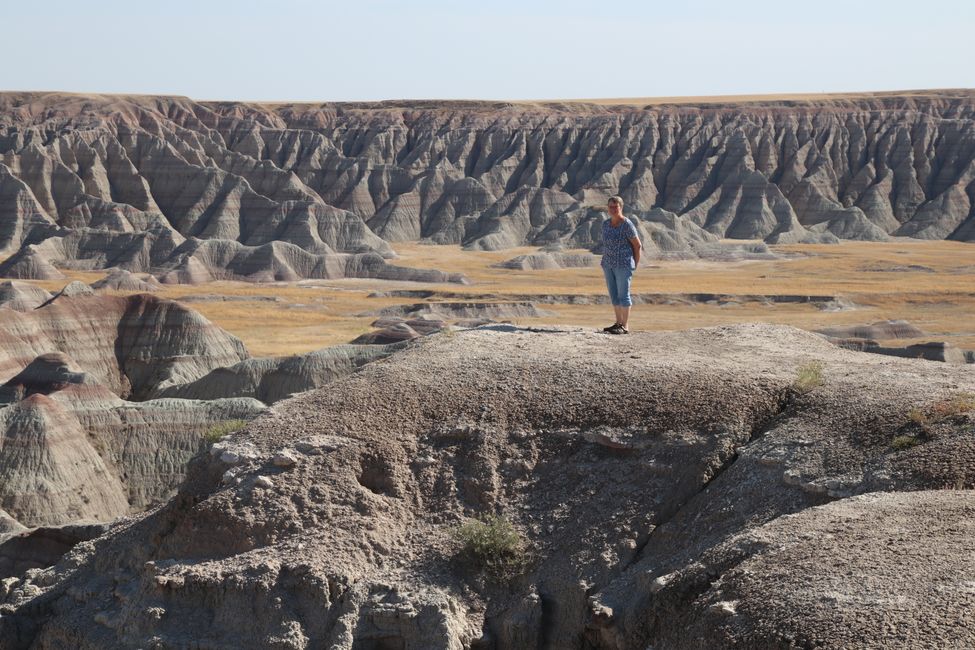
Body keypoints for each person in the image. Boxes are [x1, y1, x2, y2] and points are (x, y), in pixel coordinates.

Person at [600, 195, 642, 334]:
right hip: (608, 264)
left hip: (623, 265)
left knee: (624, 295)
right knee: (614, 295)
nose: (613, 209)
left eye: (615, 207)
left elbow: (637, 245)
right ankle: (617, 323)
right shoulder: (605, 224)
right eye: (610, 207)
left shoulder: (627, 224)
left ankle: (625, 325)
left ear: (621, 207)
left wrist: (635, 263)